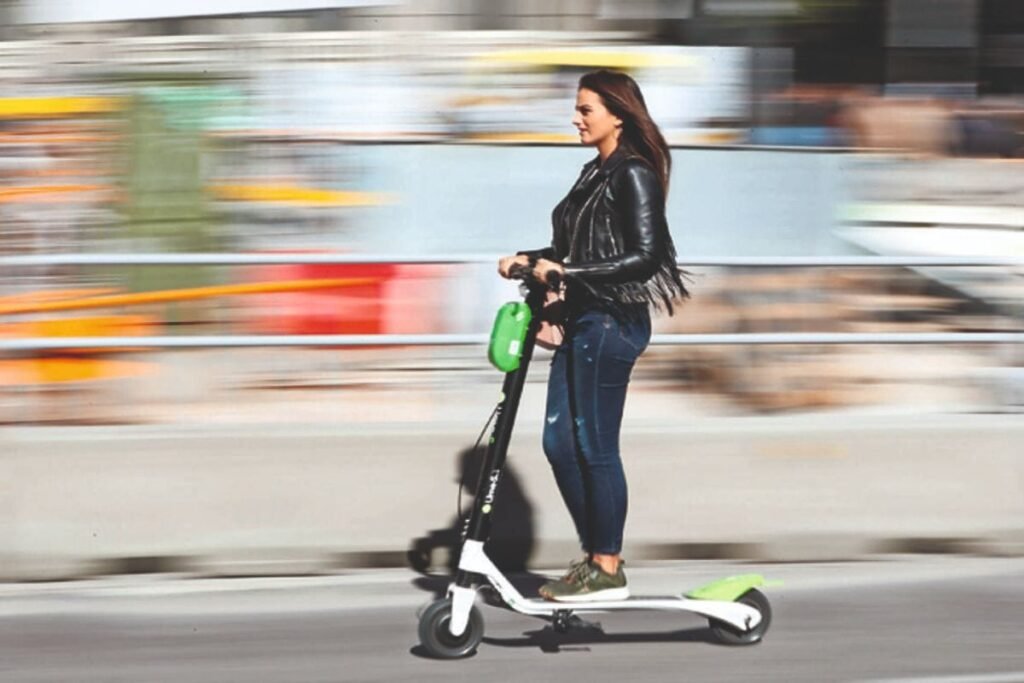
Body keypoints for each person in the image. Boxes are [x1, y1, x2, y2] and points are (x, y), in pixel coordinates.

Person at [498, 69, 689, 602]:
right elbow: (573, 250)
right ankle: (595, 556)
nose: (576, 118)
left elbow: (646, 256)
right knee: (559, 443)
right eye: (577, 109)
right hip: (582, 320)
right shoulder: (592, 173)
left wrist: (566, 277)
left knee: (594, 447)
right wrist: (529, 259)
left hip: (613, 323)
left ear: (618, 115)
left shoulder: (633, 173)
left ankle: (606, 563)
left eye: (586, 109)